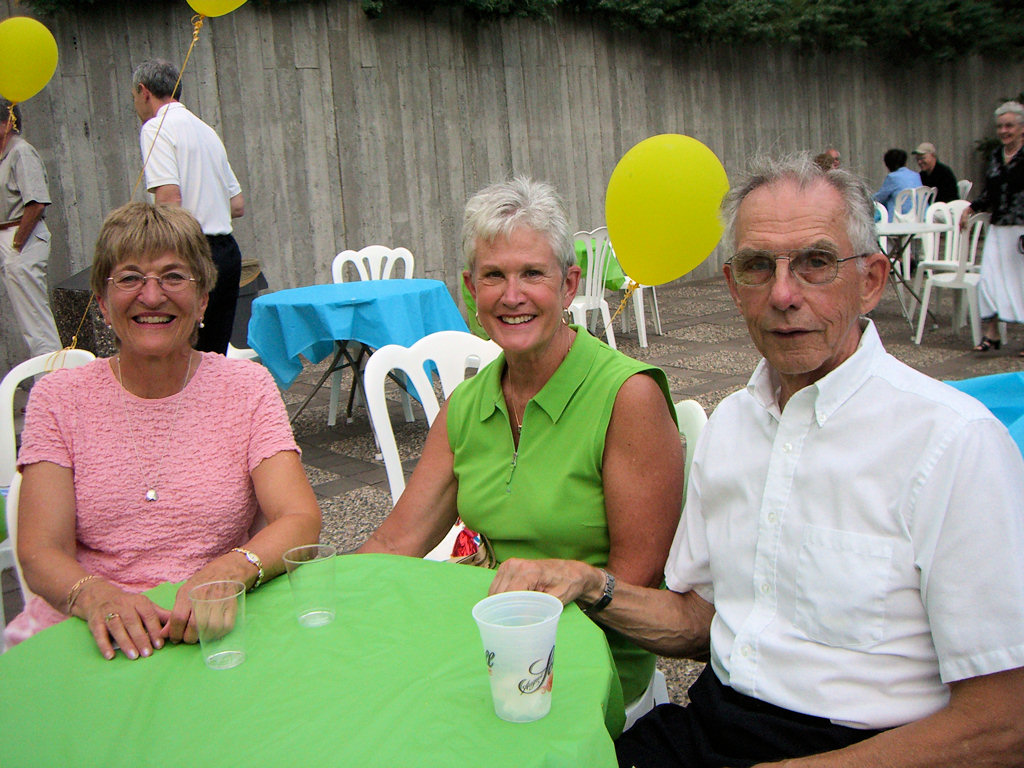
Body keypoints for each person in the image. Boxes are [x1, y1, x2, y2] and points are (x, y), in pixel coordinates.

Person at [489, 155, 1024, 767]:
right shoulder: (733, 426)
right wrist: (590, 583)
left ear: (871, 280)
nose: (783, 294)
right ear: (733, 285)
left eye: (816, 263)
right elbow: (700, 621)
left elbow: (1004, 723)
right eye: (757, 267)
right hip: (717, 724)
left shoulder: (953, 443)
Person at [357, 177, 685, 705]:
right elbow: (396, 543)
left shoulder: (627, 397)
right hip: (494, 642)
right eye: (494, 275)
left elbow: (635, 578)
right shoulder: (466, 405)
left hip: (589, 660)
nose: (512, 296)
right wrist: (324, 595)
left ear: (569, 285)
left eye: (532, 273)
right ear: (471, 288)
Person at [3, 202, 321, 660]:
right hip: (91, 633)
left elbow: (299, 519)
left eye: (174, 277)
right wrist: (94, 595)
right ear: (102, 302)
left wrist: (232, 569)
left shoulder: (246, 387)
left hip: (216, 628)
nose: (151, 297)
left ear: (203, 299)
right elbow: (39, 550)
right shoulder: (59, 397)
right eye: (129, 278)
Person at [132, 59, 245, 355]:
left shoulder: (156, 127)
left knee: (181, 353)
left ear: (144, 91)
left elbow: (169, 200)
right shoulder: (207, 131)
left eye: (135, 96)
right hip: (226, 252)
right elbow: (236, 204)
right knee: (213, 354)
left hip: (189, 250)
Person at [0, 98, 62, 357]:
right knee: (29, 323)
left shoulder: (21, 151)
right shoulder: (5, 154)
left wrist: (16, 245)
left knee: (36, 322)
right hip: (9, 236)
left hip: (22, 235)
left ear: (7, 123)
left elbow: (36, 203)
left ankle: (55, 375)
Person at [961, 101, 1024, 356]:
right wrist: (971, 208)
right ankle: (992, 333)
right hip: (999, 226)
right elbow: (990, 191)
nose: (1004, 131)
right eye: (1000, 126)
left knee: (1021, 281)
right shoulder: (997, 155)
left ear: (1021, 128)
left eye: (1009, 126)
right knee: (989, 277)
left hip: (1021, 228)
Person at [873, 148, 921, 219]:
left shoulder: (892, 177)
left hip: (899, 218)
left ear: (888, 165)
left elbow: (879, 197)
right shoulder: (916, 175)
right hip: (919, 216)